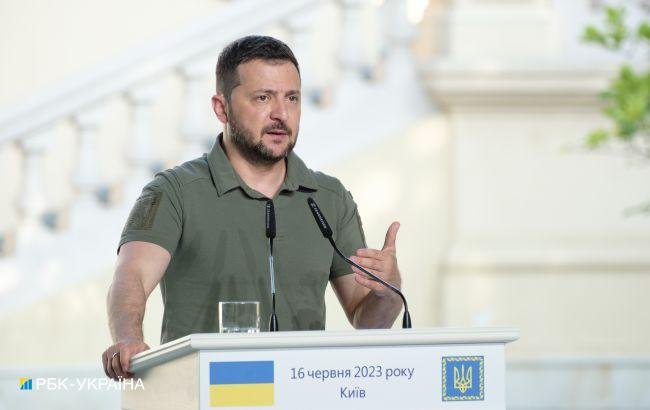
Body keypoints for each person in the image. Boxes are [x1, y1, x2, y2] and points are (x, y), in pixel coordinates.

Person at [102, 35, 403, 381]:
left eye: (292, 98)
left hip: (301, 392)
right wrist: (128, 338)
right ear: (221, 108)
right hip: (203, 392)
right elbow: (132, 276)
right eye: (263, 98)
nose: (281, 114)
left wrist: (389, 289)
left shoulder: (329, 197)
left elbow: (368, 321)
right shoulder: (174, 191)